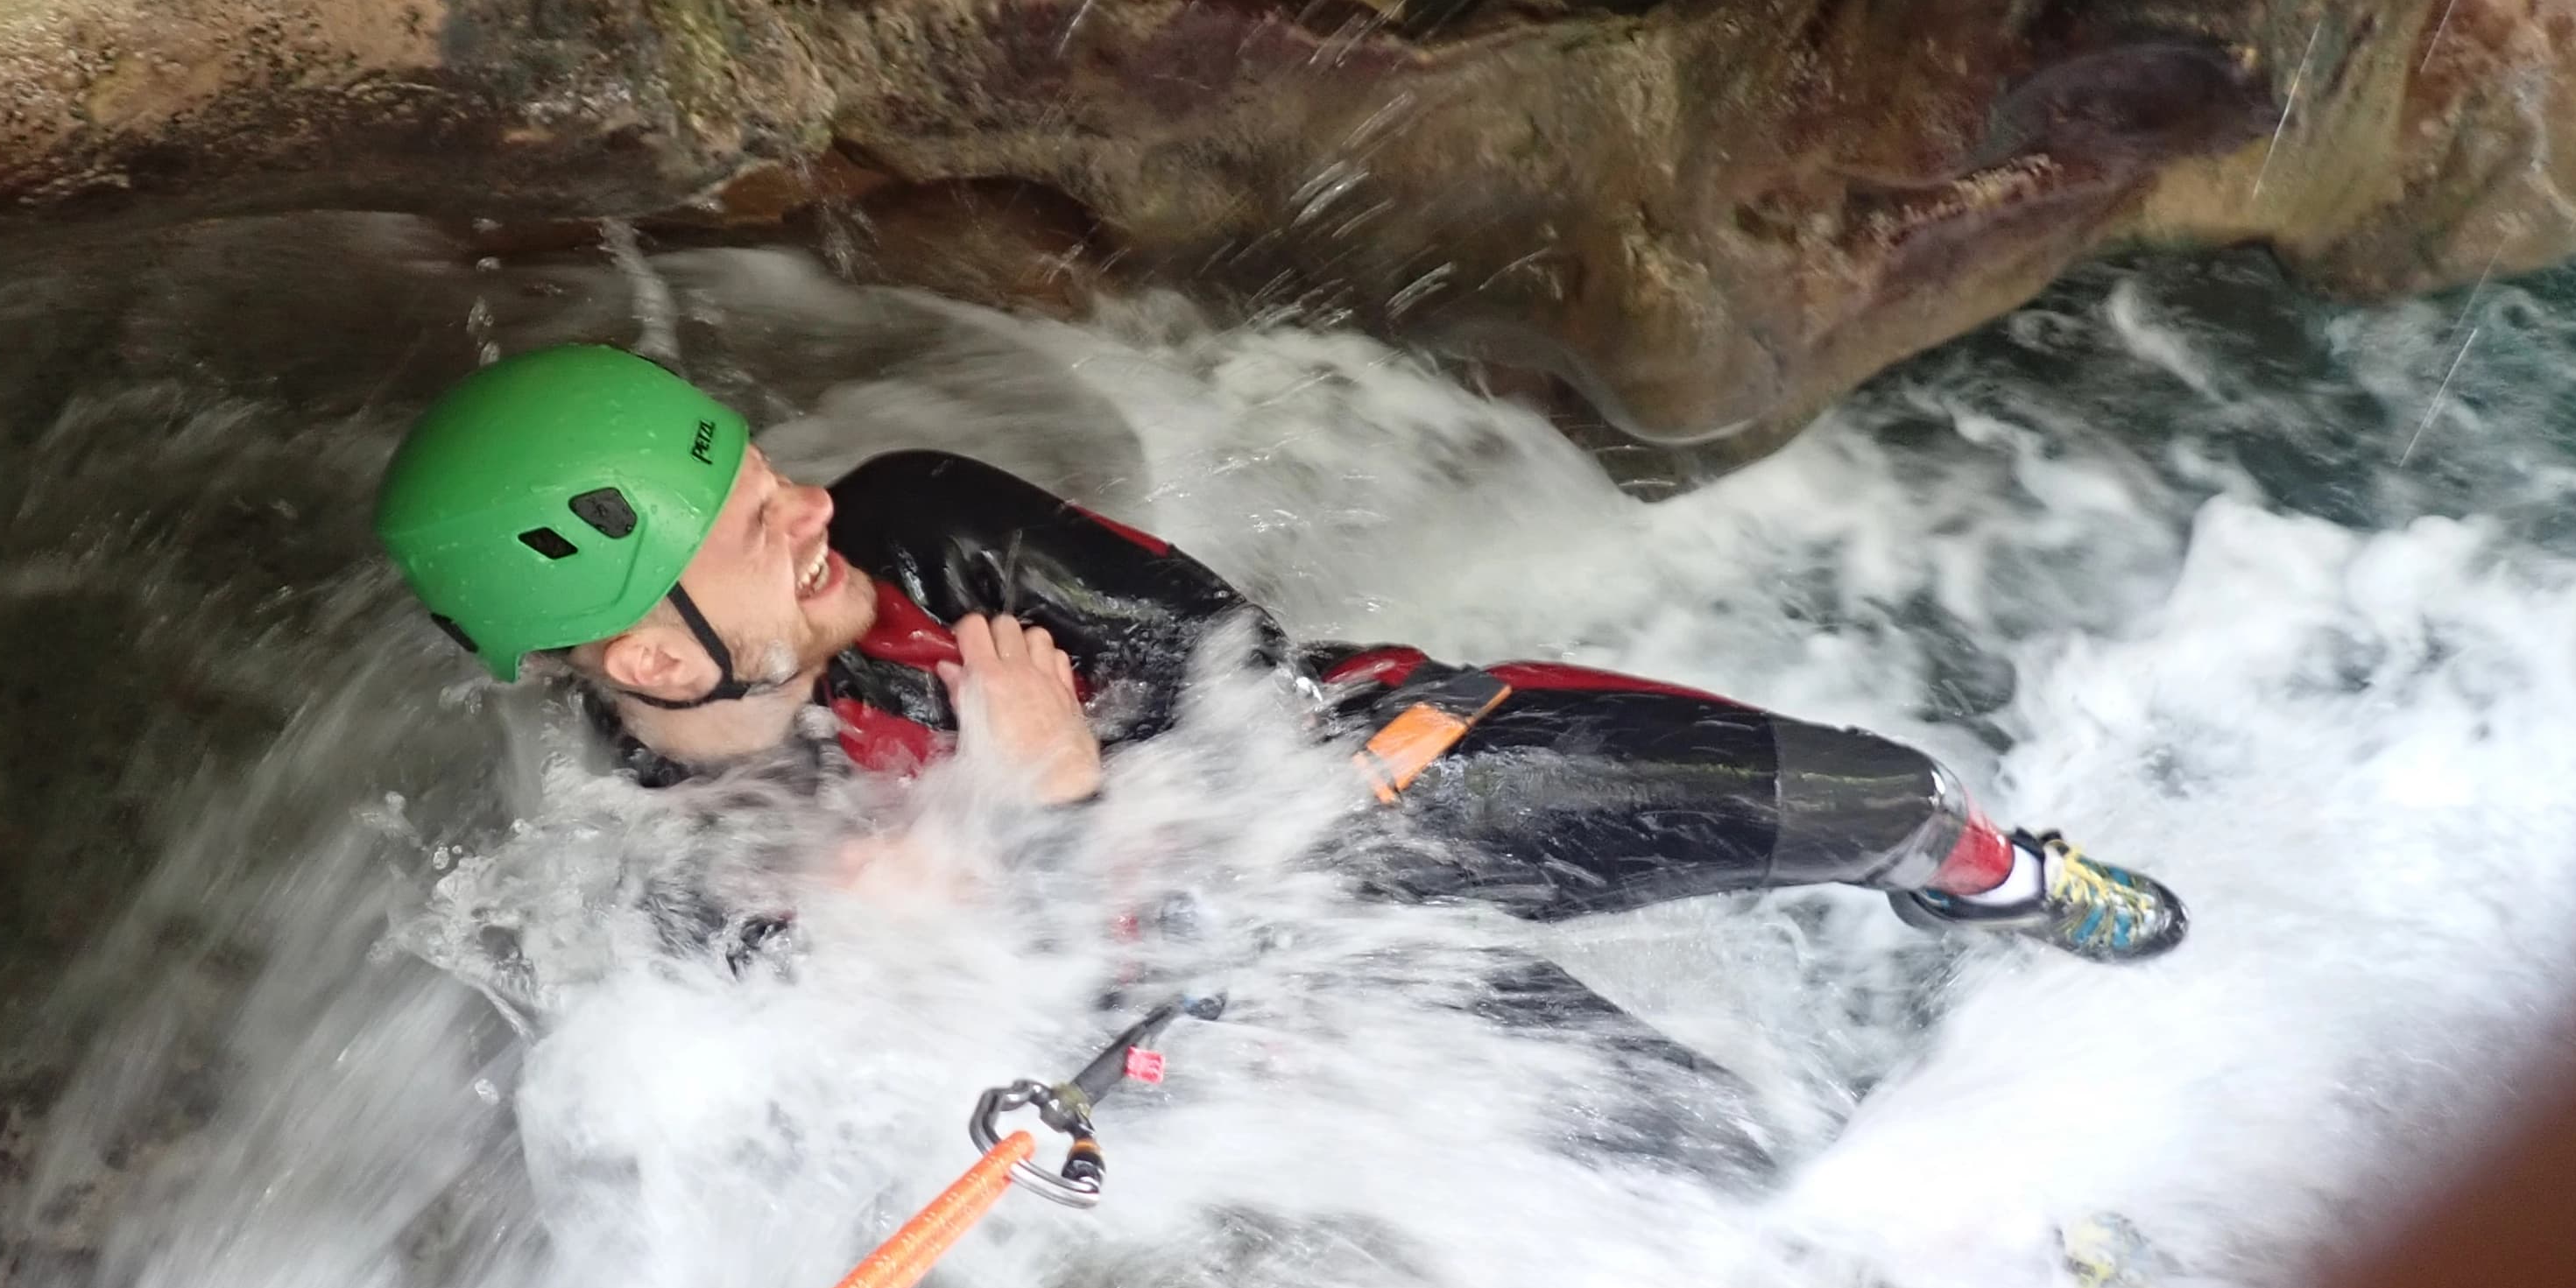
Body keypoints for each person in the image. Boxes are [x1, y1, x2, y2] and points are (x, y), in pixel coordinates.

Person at [374, 344, 2186, 961]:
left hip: (1373, 781)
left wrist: (1049, 800)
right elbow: (859, 1013)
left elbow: (1243, 687)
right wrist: (1031, 847)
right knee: (1699, 1145)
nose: (803, 506)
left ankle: (1994, 884)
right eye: (745, 530)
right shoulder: (681, 855)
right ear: (661, 662)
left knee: (1879, 797)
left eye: (763, 470)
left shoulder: (929, 528)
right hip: (1259, 985)